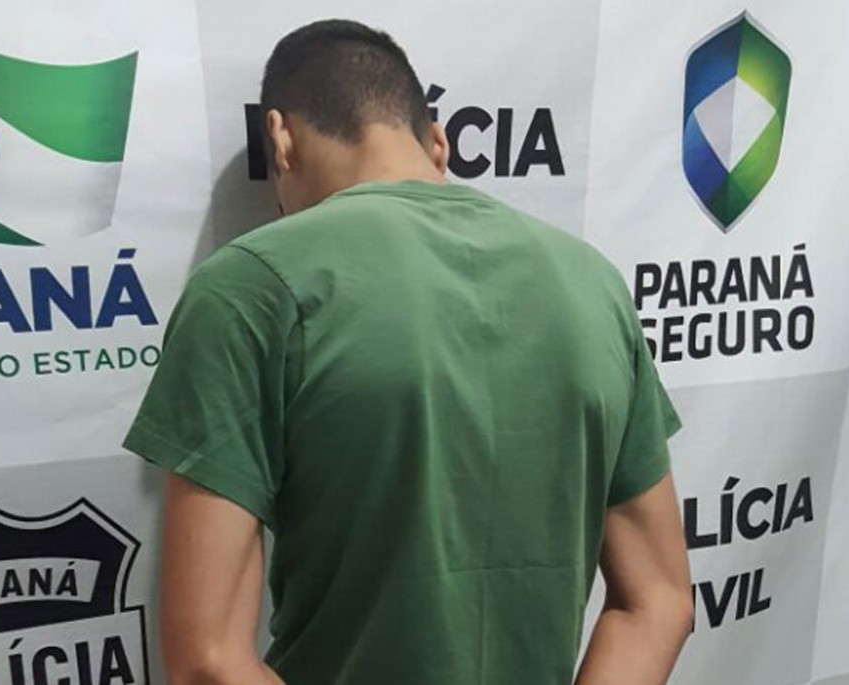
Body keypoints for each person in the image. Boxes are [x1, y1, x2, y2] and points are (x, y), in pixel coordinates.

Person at [124, 18, 691, 685]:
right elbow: (659, 601)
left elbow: (209, 661)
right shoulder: (592, 281)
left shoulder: (249, 286)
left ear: (279, 138)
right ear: (438, 141)